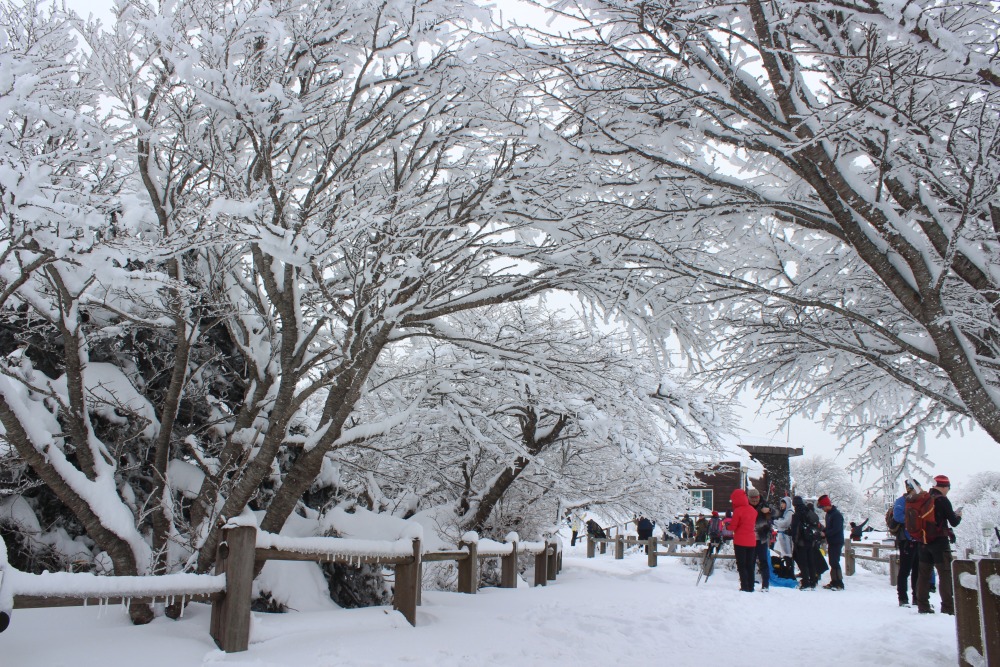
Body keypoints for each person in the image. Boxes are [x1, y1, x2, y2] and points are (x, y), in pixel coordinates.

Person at [915, 475, 962, 615]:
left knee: (923, 575)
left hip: (923, 541)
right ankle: (947, 608)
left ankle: (922, 605)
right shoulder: (942, 500)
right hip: (939, 543)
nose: (948, 490)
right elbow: (953, 522)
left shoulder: (924, 499)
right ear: (943, 486)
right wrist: (958, 515)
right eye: (948, 487)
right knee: (945, 574)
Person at [891, 480, 920, 606]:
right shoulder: (901, 501)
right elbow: (897, 517)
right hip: (906, 539)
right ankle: (903, 598)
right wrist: (914, 520)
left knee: (917, 570)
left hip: (918, 539)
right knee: (905, 570)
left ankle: (917, 597)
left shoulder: (918, 501)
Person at [728, 488, 758, 592]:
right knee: (750, 565)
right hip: (751, 541)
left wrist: (727, 526)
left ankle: (744, 586)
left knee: (742, 564)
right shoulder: (753, 510)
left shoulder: (738, 510)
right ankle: (751, 586)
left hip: (740, 541)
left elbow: (733, 526)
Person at [790, 496, 819, 589]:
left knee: (803, 562)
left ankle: (806, 582)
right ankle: (813, 581)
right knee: (811, 561)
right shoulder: (808, 511)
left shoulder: (797, 514)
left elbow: (795, 529)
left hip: (801, 542)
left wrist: (794, 539)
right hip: (811, 541)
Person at [747, 488, 772, 591]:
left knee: (763, 561)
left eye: (756, 500)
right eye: (752, 501)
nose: (755, 502)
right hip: (750, 538)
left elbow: (776, 513)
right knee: (750, 562)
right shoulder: (746, 507)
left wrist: (769, 510)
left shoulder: (764, 504)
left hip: (761, 538)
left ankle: (765, 585)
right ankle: (750, 583)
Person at [818, 495, 845, 590]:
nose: (823, 509)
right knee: (832, 561)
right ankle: (834, 581)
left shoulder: (836, 515)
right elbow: (829, 527)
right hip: (831, 541)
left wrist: (825, 534)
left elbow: (836, 529)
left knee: (835, 561)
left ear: (827, 505)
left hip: (837, 541)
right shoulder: (829, 515)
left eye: (823, 507)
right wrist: (824, 531)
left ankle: (839, 583)